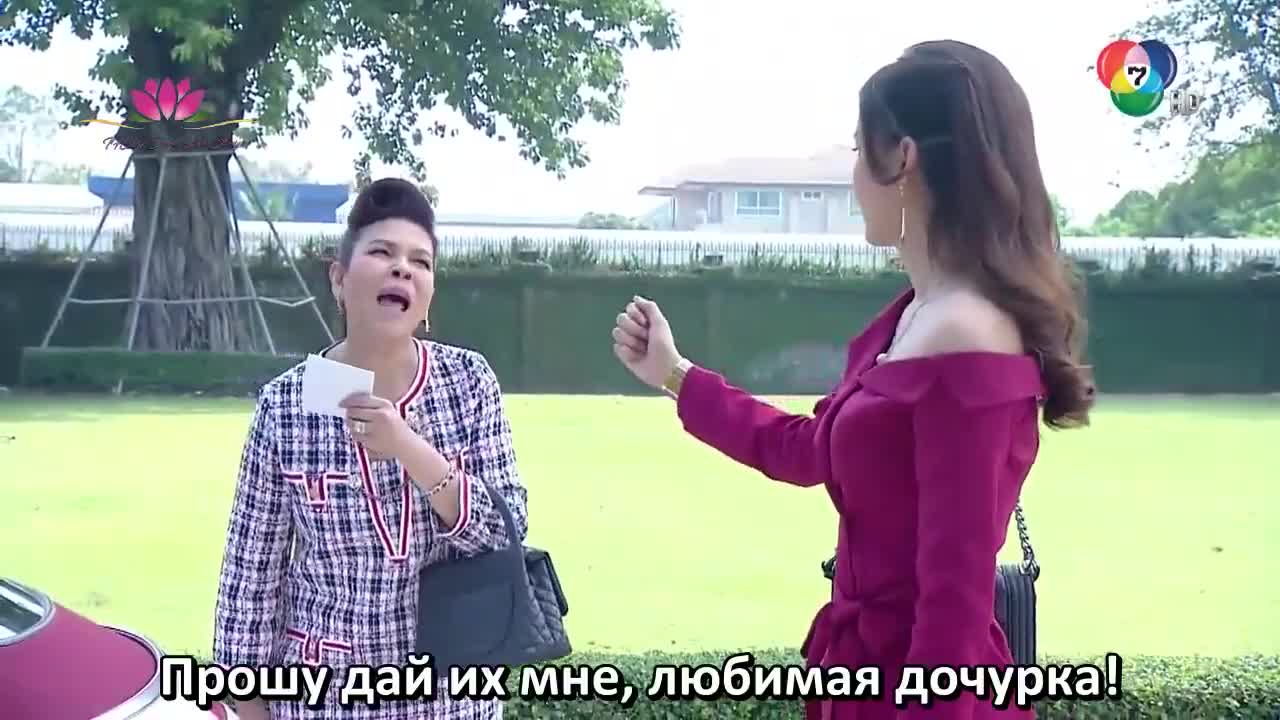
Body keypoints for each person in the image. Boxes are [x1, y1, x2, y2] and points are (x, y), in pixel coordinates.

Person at [611, 40, 1094, 720]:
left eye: (859, 151)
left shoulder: (967, 336)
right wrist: (674, 375)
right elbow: (809, 450)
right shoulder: (913, 317)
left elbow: (952, 611)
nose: (854, 179)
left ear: (903, 158)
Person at [214, 177, 529, 720]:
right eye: (382, 252)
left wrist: (407, 446)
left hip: (451, 699)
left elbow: (506, 531)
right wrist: (248, 706)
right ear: (339, 279)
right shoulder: (287, 403)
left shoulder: (468, 381)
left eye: (420, 261)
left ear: (428, 295)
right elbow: (250, 577)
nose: (402, 268)